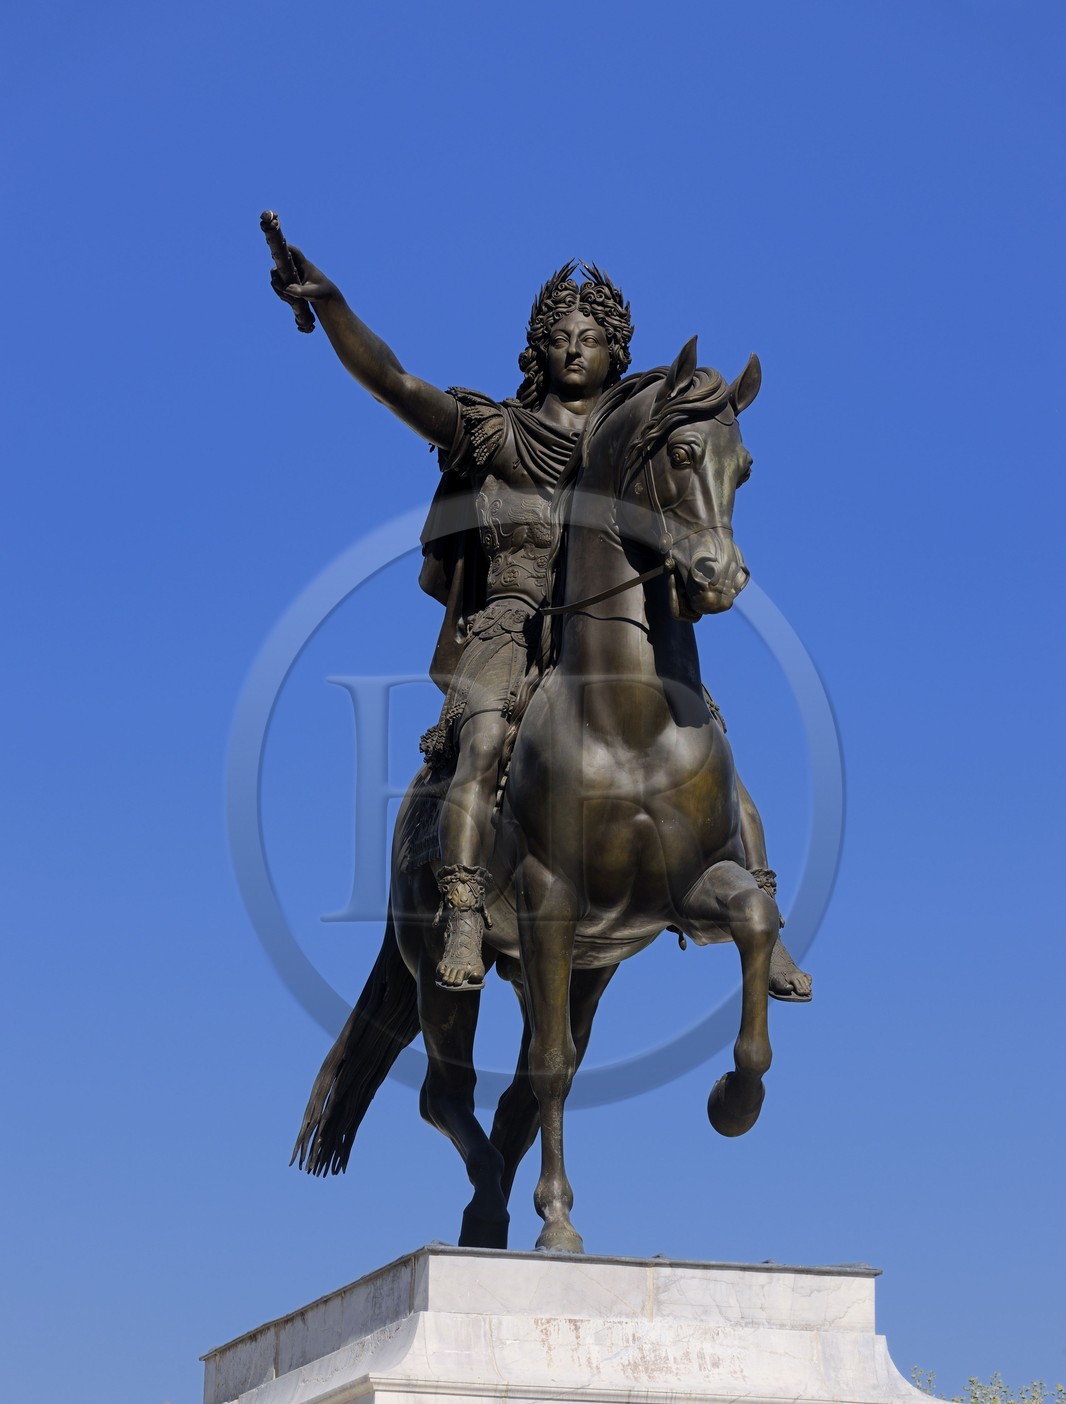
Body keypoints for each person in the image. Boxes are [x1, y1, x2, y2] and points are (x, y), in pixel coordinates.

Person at [272, 253, 811, 1002]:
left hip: (615, 630)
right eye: (559, 337)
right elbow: (395, 384)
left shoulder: (634, 438)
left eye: (591, 338)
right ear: (539, 349)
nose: (574, 349)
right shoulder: (501, 434)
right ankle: (465, 908)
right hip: (513, 625)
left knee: (709, 740)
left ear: (615, 351)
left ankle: (763, 916)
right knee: (485, 737)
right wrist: (332, 306)